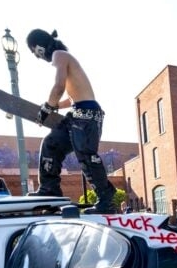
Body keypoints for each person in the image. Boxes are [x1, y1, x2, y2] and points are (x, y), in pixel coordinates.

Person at [26, 28, 116, 214]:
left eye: (35, 52)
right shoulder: (64, 58)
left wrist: (47, 107)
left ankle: (106, 199)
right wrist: (56, 106)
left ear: (40, 47)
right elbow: (73, 96)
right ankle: (49, 189)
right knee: (51, 144)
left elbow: (58, 86)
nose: (37, 57)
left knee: (85, 154)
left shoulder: (60, 55)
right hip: (77, 113)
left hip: (88, 115)